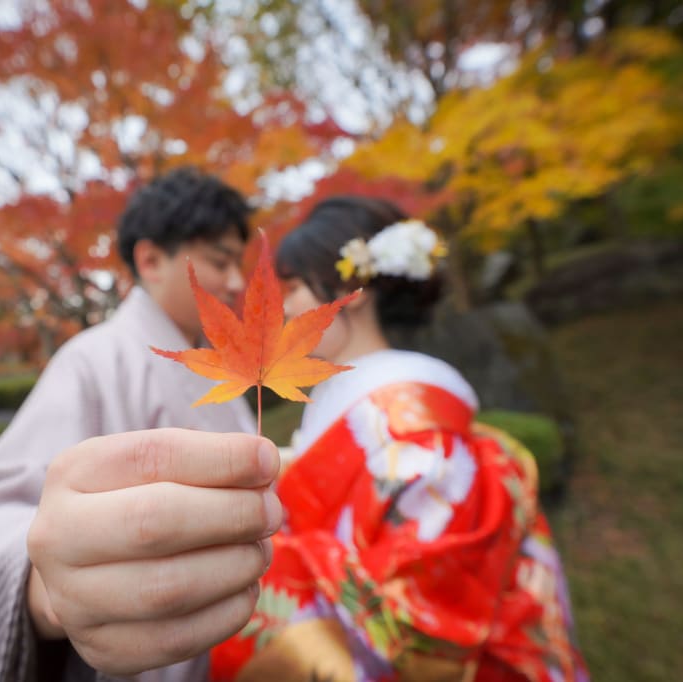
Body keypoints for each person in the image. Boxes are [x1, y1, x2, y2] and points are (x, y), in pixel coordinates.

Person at [211, 196, 588, 681]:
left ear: (354, 290)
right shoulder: (353, 406)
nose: (284, 307)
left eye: (296, 286)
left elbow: (424, 620)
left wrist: (281, 552)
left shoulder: (419, 437)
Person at [0, 167, 283, 682]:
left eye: (239, 263)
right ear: (150, 260)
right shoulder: (93, 361)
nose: (236, 282)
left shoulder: (218, 367)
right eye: (219, 261)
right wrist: (48, 590)